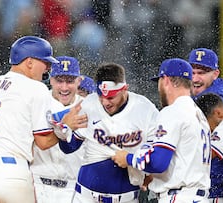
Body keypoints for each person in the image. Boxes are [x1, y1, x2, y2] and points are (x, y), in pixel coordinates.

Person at [0, 36, 62, 203]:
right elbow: (43, 142)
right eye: (45, 62)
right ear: (29, 62)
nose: (47, 68)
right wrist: (67, 127)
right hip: (12, 174)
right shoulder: (36, 88)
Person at [112, 58, 212, 203]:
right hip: (196, 196)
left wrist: (127, 158)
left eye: (159, 82)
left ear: (165, 80)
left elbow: (158, 163)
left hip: (179, 197)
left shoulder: (172, 111)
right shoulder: (197, 113)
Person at [58, 62, 159, 203]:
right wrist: (64, 130)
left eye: (111, 97)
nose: (106, 102)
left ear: (125, 89)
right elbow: (68, 148)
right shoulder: (89, 104)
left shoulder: (145, 109)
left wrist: (142, 167)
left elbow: (156, 155)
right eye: (101, 96)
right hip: (86, 196)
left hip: (127, 198)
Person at [188, 48, 223, 202]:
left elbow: (211, 153)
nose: (196, 78)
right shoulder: (195, 99)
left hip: (220, 192)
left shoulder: (219, 106)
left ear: (215, 74)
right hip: (212, 191)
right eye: (192, 72)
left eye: (202, 73)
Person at [31, 55, 85, 203]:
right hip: (39, 185)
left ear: (79, 81)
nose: (64, 87)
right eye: (59, 80)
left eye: (70, 81)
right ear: (50, 79)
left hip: (74, 189)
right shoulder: (37, 103)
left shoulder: (89, 107)